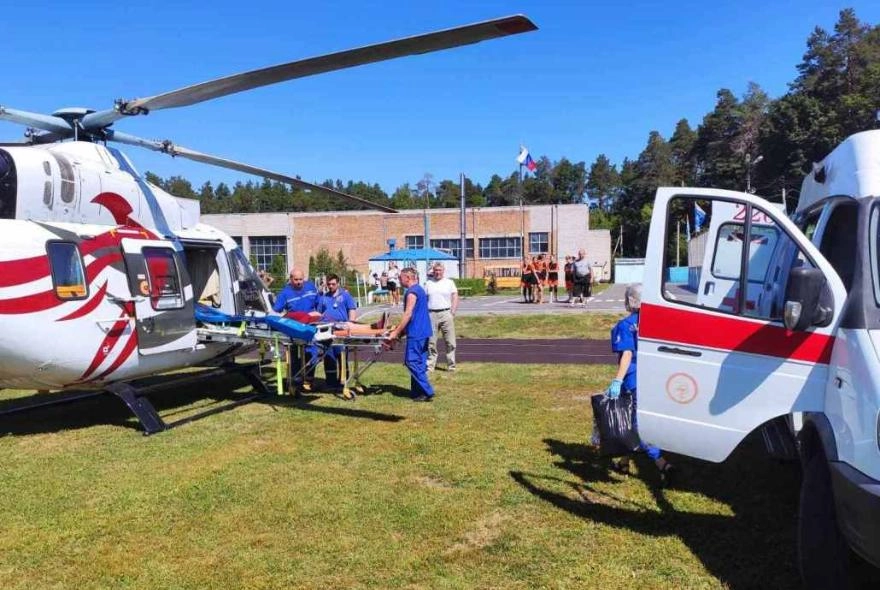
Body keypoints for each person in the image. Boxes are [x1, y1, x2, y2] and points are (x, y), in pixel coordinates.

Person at [605, 284, 674, 486]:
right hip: (654, 377)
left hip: (634, 380)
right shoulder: (658, 322)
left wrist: (618, 379)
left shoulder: (626, 325)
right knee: (630, 419)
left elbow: (627, 353)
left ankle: (662, 464)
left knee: (637, 424)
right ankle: (624, 463)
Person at [387, 267, 434, 401]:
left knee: (411, 361)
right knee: (419, 363)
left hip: (417, 333)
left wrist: (396, 332)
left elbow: (408, 314)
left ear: (407, 277)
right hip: (424, 331)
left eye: (400, 277)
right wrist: (401, 332)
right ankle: (417, 392)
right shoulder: (420, 289)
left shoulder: (412, 292)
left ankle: (427, 391)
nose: (399, 280)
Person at [273, 268, 320, 391]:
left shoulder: (311, 287)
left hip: (310, 326)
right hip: (294, 328)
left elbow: (319, 303)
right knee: (293, 355)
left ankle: (309, 380)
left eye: (301, 279)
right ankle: (295, 380)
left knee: (312, 353)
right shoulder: (285, 293)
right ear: (291, 279)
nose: (299, 282)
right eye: (296, 280)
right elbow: (276, 310)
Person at [316, 273, 358, 389]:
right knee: (329, 356)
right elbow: (319, 312)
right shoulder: (324, 297)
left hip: (342, 329)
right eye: (329, 284)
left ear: (338, 283)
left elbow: (352, 310)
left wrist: (351, 323)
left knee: (341, 355)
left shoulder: (345, 296)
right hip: (327, 329)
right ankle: (330, 382)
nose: (331, 286)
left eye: (333, 284)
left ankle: (344, 380)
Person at [425, 263, 459, 372]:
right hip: (431, 314)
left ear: (443, 271)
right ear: (433, 271)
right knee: (431, 342)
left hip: (446, 313)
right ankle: (430, 366)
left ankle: (451, 366)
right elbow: (424, 299)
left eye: (440, 270)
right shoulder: (428, 283)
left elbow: (455, 296)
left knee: (450, 341)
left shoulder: (449, 282)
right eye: (436, 270)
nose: (438, 272)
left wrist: (452, 312)